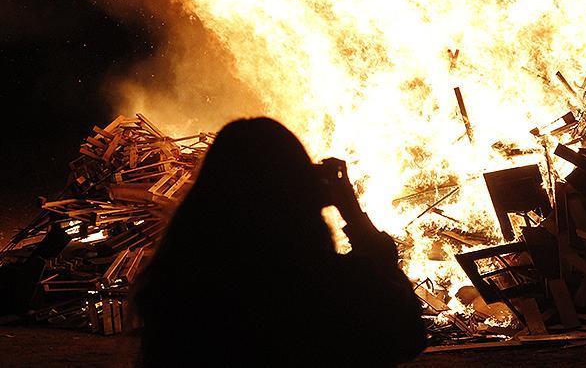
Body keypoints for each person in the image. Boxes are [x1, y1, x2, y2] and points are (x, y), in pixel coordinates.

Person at [133, 118, 426, 366]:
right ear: (304, 194)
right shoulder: (326, 287)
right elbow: (407, 335)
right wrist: (350, 210)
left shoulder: (177, 287)